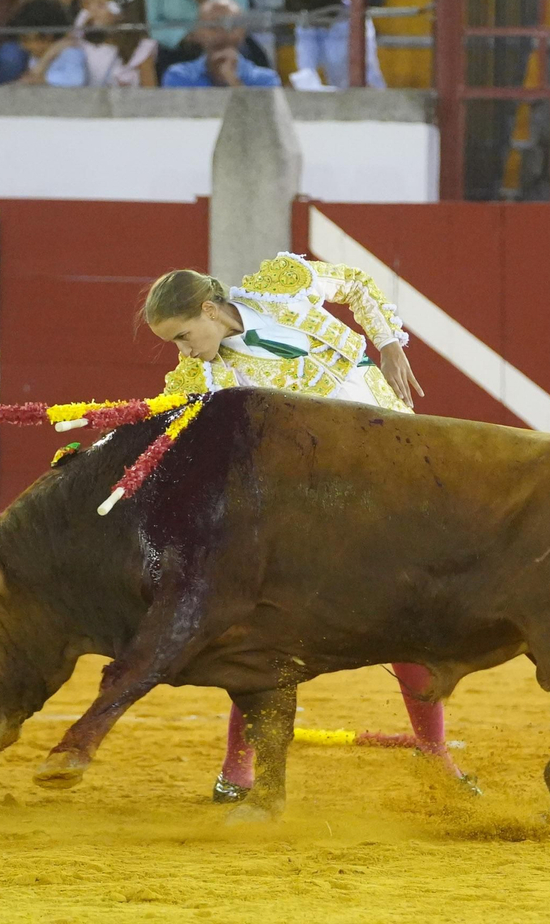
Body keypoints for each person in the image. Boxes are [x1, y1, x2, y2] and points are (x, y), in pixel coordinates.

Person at [139, 252, 468, 803]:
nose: (184, 349)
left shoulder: (284, 287)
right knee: (265, 633)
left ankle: (436, 759)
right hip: (319, 506)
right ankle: (237, 772)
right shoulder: (202, 377)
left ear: (209, 310)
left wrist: (388, 344)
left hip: (400, 466)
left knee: (413, 616)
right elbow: (174, 434)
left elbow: (358, 284)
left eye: (183, 334)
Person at [284, 0, 381, 89]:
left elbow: (366, 68)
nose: (304, 22)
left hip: (366, 90)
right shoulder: (307, 21)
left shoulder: (357, 18)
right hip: (335, 94)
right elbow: (306, 70)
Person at [159, 0, 275, 88]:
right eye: (213, 26)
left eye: (231, 26)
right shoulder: (178, 76)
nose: (222, 33)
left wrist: (233, 81)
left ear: (242, 32)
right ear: (197, 33)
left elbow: (261, 117)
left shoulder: (265, 80)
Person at [75, 0, 154, 86]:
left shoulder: (141, 49)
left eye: (100, 5)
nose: (91, 9)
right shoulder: (81, 32)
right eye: (93, 1)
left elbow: (151, 94)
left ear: (122, 12)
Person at [0, 0, 84, 85]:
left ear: (48, 36)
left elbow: (75, 81)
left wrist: (39, 79)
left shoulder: (70, 54)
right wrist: (48, 57)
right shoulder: (36, 57)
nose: (23, 46)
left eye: (27, 40)